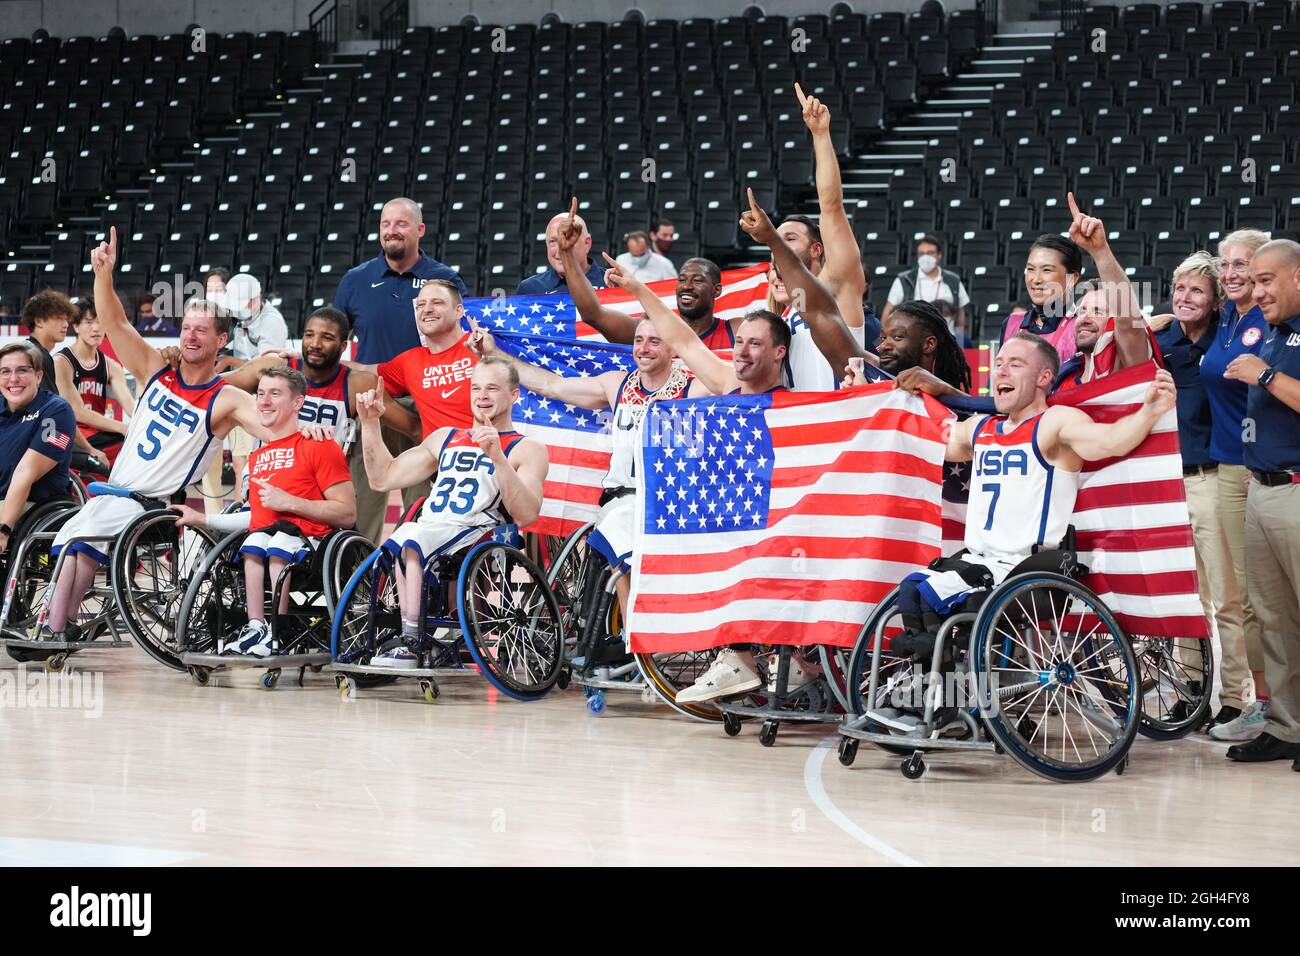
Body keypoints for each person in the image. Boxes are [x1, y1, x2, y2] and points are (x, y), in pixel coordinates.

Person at [35, 227, 271, 643]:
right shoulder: (154, 368)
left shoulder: (227, 397)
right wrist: (103, 275)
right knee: (71, 539)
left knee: (85, 539)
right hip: (113, 492)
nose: (191, 336)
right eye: (186, 328)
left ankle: (53, 626)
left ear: (221, 340)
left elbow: (271, 428)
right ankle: (56, 624)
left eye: (202, 330)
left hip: (151, 504)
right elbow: (115, 322)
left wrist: (309, 428)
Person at [890, 333, 1176, 661]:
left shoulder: (1054, 424)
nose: (1002, 373)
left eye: (1015, 365)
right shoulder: (980, 428)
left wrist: (1149, 412)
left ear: (1043, 378)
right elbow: (922, 440)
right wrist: (872, 393)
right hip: (977, 562)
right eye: (998, 365)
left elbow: (1109, 441)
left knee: (929, 595)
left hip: (1027, 569)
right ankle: (932, 691)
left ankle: (941, 691)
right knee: (911, 589)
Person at [469, 317, 705, 631]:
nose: (643, 348)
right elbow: (549, 385)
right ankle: (632, 634)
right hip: (623, 499)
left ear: (674, 347)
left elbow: (733, 383)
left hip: (670, 502)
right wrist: (495, 352)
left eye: (654, 340)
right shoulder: (617, 383)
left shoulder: (692, 387)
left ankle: (654, 631)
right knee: (619, 535)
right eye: (638, 340)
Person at [356, 357, 549, 667]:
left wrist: (498, 458)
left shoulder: (527, 448)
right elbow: (383, 478)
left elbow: (526, 514)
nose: (482, 395)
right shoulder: (445, 437)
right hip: (433, 525)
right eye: (476, 388)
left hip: (476, 531)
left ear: (514, 396)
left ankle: (410, 641)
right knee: (405, 537)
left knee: (414, 541)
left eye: (492, 388)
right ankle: (409, 633)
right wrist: (369, 424)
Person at [171, 366, 356, 657]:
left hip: (315, 548)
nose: (264, 401)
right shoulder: (258, 458)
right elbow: (257, 519)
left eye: (275, 394)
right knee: (254, 541)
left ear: (297, 403)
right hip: (272, 542)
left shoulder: (319, 445)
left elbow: (347, 514)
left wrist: (290, 502)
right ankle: (256, 626)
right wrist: (204, 520)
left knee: (278, 542)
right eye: (260, 394)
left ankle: (277, 630)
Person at [1153, 251, 1251, 728]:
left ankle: (1235, 695)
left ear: (1215, 301)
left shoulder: (1227, 340)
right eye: (1179, 288)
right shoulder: (1161, 337)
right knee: (1185, 598)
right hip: (1169, 484)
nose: (1185, 297)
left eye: (1196, 290)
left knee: (1227, 597)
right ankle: (1192, 691)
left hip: (1214, 481)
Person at [333, 197, 469, 541]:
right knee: (363, 501)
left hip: (428, 406)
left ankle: (424, 578)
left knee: (422, 504)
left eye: (401, 224)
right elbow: (332, 337)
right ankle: (356, 579)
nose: (392, 231)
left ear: (420, 230)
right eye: (385, 224)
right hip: (373, 406)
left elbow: (465, 334)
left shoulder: (444, 279)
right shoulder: (355, 280)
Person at [1220, 238, 1300, 767]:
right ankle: (1287, 727)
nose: (1258, 288)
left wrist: (1265, 376)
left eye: (1268, 279)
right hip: (1263, 488)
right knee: (1274, 619)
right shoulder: (1272, 332)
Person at [1192, 228, 1272, 735]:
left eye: (1243, 263)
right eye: (1226, 264)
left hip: (1261, 466)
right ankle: (1260, 702)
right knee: (1243, 597)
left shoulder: (1271, 318)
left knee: (1259, 596)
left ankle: (1270, 704)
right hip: (1227, 465)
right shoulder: (1226, 318)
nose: (1233, 272)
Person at [222, 306, 419, 456]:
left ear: (342, 346)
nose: (315, 344)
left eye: (326, 338)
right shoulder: (272, 368)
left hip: (322, 490)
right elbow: (211, 388)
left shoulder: (358, 384)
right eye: (309, 335)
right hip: (268, 477)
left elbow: (413, 427)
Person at [558, 197, 736, 356]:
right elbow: (593, 315)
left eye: (697, 280)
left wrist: (766, 239)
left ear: (717, 290)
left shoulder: (736, 331)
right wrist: (566, 253)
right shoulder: (652, 331)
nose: (687, 286)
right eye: (682, 280)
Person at [1051, 194, 1153, 389]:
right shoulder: (1065, 377)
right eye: (1082, 311)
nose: (1085, 318)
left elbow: (1128, 320)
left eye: (1098, 311)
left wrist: (1100, 251)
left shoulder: (1128, 362)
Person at [0, 342, 77, 560]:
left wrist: (4, 528)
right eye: (5, 371)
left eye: (22, 370)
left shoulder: (57, 412)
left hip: (33, 505)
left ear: (39, 376)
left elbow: (25, 474)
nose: (13, 379)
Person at [22, 290, 110, 471]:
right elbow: (60, 414)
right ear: (38, 321)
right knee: (96, 464)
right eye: (58, 319)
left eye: (66, 319)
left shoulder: (31, 350)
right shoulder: (37, 356)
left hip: (31, 432)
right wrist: (89, 449)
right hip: (34, 437)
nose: (65, 324)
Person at [55, 299, 136, 466]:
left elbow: (130, 406)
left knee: (137, 445)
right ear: (76, 327)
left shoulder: (111, 366)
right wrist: (121, 427)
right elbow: (77, 412)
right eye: (89, 322)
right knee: (123, 443)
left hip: (97, 432)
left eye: (101, 322)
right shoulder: (62, 362)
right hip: (69, 431)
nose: (96, 328)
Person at [1001, 234, 1084, 364]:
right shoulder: (1011, 324)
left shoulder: (1082, 327)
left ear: (1072, 278)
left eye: (1046, 270)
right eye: (1030, 269)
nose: (1035, 279)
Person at [882, 233, 971, 336]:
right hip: (912, 339)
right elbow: (888, 311)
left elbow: (961, 313)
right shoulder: (904, 280)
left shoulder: (953, 281)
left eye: (930, 253)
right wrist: (882, 341)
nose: (925, 257)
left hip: (946, 338)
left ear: (939, 255)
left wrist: (959, 339)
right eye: (921, 253)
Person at [517, 207, 608, 295]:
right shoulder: (529, 289)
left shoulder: (613, 283)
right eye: (553, 241)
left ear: (587, 244)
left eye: (568, 240)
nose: (561, 250)